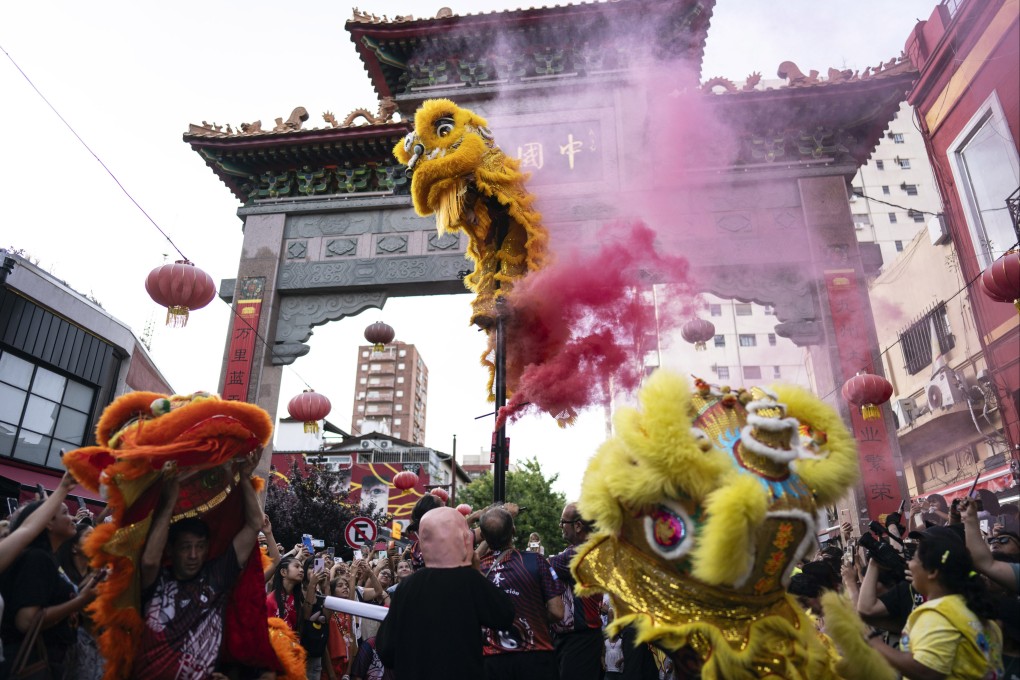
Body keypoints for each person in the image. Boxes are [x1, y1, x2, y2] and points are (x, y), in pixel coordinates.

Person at [132, 457, 263, 679]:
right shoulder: (157, 580)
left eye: (200, 547)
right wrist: (169, 499)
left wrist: (246, 477)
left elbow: (254, 525)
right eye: (186, 547)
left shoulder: (216, 577)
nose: (193, 555)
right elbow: (149, 561)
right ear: (171, 550)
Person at [377, 506, 515, 679]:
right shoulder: (471, 581)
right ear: (464, 540)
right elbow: (505, 615)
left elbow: (386, 649)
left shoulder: (407, 587)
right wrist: (477, 571)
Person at [868, 525, 1004, 679]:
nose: (909, 564)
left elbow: (927, 672)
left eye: (914, 559)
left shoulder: (938, 615)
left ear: (932, 572)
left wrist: (872, 640)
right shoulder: (974, 608)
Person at [0, 472, 100, 676]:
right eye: (64, 513)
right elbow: (27, 621)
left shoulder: (49, 559)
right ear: (48, 523)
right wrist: (81, 601)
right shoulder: (37, 558)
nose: (72, 517)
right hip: (33, 663)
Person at [479, 505, 565, 680]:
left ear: (484, 536)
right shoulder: (537, 562)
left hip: (492, 660)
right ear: (514, 531)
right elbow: (557, 612)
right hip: (536, 656)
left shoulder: (477, 569)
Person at [549, 502, 604, 680]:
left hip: (581, 640)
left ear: (578, 526)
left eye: (563, 521)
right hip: (573, 638)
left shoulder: (582, 554)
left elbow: (543, 565)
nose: (560, 526)